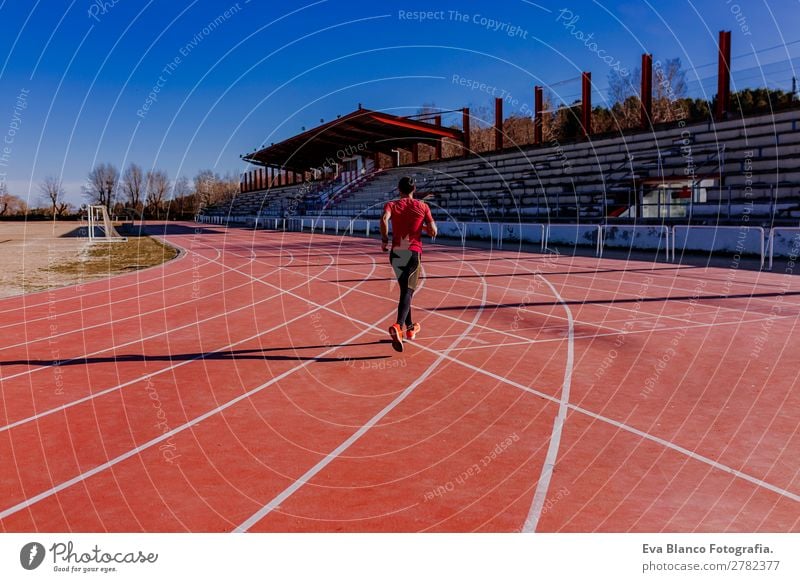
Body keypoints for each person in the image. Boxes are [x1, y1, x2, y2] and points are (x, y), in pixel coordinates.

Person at [380, 176, 437, 352]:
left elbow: (383, 220)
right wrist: (423, 227)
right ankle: (398, 326)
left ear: (399, 189)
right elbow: (434, 232)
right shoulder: (423, 207)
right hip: (413, 252)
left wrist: (384, 240)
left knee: (405, 291)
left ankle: (410, 328)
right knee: (407, 291)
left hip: (396, 252)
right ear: (414, 190)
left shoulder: (392, 205)